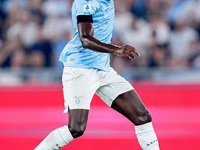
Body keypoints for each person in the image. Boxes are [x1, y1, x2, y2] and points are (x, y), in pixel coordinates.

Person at [34, 0, 160, 150]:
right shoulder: (86, 2)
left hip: (103, 69)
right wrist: (115, 49)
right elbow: (85, 39)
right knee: (76, 128)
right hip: (80, 69)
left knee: (142, 117)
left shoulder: (108, 1)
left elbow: (101, 29)